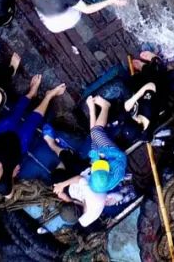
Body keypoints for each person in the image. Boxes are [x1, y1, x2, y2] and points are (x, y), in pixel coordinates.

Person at [0, 76, 68, 197]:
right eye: (0, 168)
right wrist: (12, 177)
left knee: (14, 114)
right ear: (0, 178)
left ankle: (32, 92)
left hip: (0, 136)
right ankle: (49, 96)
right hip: (18, 146)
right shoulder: (3, 185)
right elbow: (9, 195)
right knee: (32, 122)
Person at [50, 96, 128, 225]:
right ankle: (105, 107)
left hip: (103, 173)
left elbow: (81, 220)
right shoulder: (92, 192)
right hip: (114, 158)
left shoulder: (83, 220)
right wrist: (62, 186)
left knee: (94, 141)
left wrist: (66, 197)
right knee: (96, 133)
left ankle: (92, 109)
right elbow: (80, 179)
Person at [124, 52, 171, 140]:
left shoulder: (143, 133)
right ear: (138, 121)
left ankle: (140, 73)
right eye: (133, 119)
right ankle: (155, 61)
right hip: (157, 90)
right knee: (155, 79)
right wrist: (133, 99)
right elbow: (151, 86)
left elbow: (147, 138)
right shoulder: (148, 108)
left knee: (131, 83)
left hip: (146, 97)